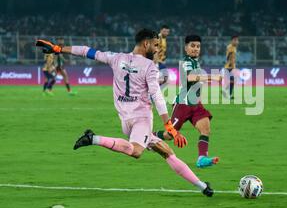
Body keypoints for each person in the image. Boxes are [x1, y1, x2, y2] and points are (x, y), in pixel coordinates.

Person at [35, 29, 214, 197]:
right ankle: (93, 138)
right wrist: (168, 124)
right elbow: (157, 96)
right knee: (136, 151)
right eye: (156, 45)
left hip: (126, 122)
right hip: (142, 120)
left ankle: (202, 186)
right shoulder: (150, 66)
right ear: (146, 44)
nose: (158, 49)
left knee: (167, 152)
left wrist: (59, 49)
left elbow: (87, 51)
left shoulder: (116, 58)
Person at [155, 35, 222, 168]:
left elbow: (196, 82)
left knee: (205, 129)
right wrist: (212, 77)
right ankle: (146, 137)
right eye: (192, 46)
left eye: (198, 46)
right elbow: (191, 77)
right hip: (183, 105)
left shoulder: (195, 62)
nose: (196, 49)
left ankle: (201, 158)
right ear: (186, 48)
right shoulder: (186, 61)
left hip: (195, 104)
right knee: (169, 135)